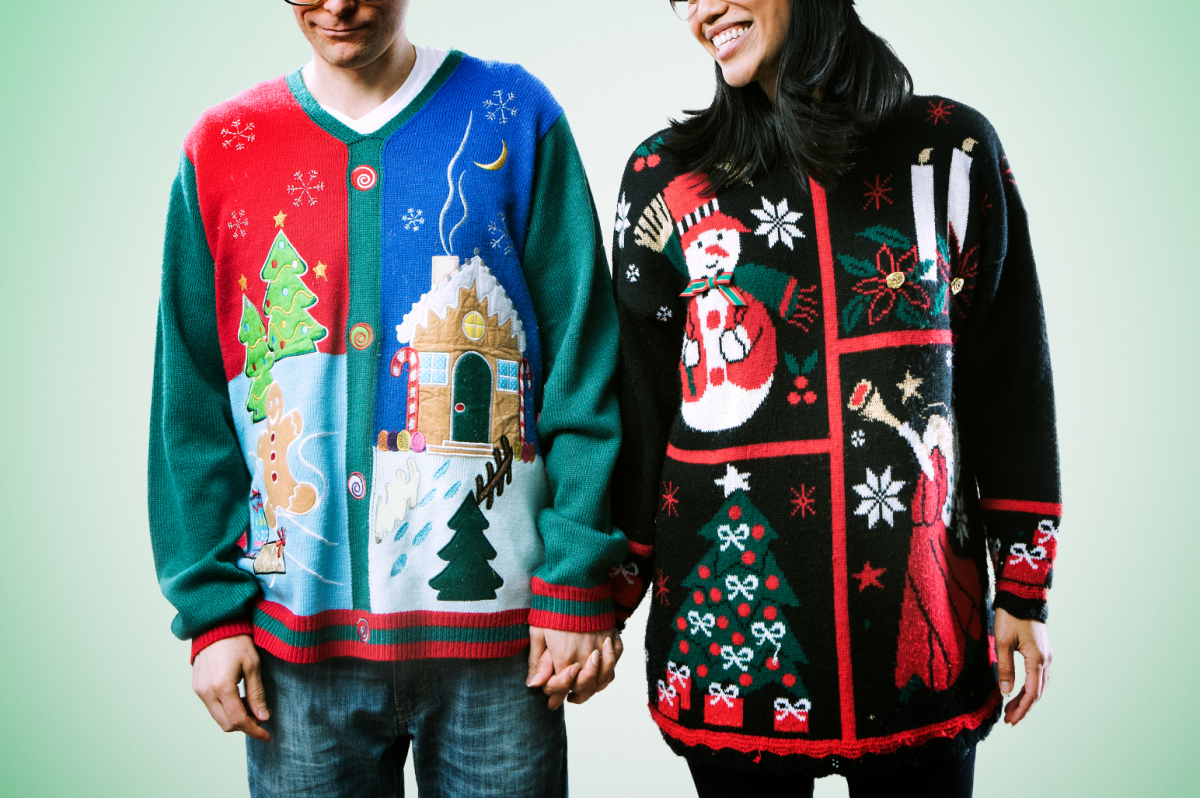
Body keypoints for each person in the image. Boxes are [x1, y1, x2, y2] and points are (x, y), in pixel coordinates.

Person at [148, 1, 625, 795]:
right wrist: (210, 613)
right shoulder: (222, 149)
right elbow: (191, 400)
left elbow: (583, 360)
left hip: (501, 649)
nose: (338, 6)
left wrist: (577, 578)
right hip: (294, 654)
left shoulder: (512, 113)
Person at [607, 1, 1059, 795]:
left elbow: (1008, 379)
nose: (703, 9)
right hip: (731, 642)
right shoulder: (662, 177)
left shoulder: (950, 150)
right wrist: (595, 598)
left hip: (920, 644)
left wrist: (1024, 583)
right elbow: (639, 413)